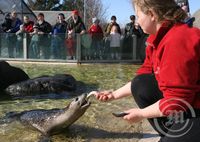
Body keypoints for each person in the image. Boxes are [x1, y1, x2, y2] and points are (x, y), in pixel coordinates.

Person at [94, 0, 200, 142]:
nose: (137, 21)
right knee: (141, 83)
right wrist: (113, 94)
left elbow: (177, 100)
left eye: (138, 15)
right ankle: (172, 131)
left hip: (192, 107)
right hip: (186, 104)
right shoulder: (156, 39)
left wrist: (142, 114)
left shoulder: (177, 40)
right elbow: (142, 76)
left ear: (152, 14)